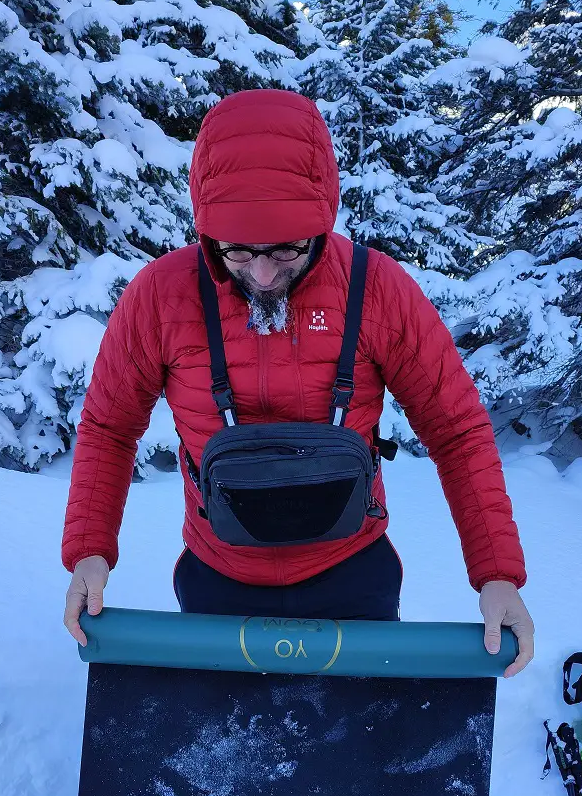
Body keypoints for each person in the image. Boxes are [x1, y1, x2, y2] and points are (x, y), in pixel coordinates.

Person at [62, 88, 535, 678]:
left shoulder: (378, 290)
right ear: (208, 228)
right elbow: (109, 428)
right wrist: (88, 552)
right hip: (217, 579)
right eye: (238, 250)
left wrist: (496, 574)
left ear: (323, 216)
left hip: (353, 575)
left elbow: (457, 428)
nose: (262, 273)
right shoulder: (160, 296)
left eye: (285, 248)